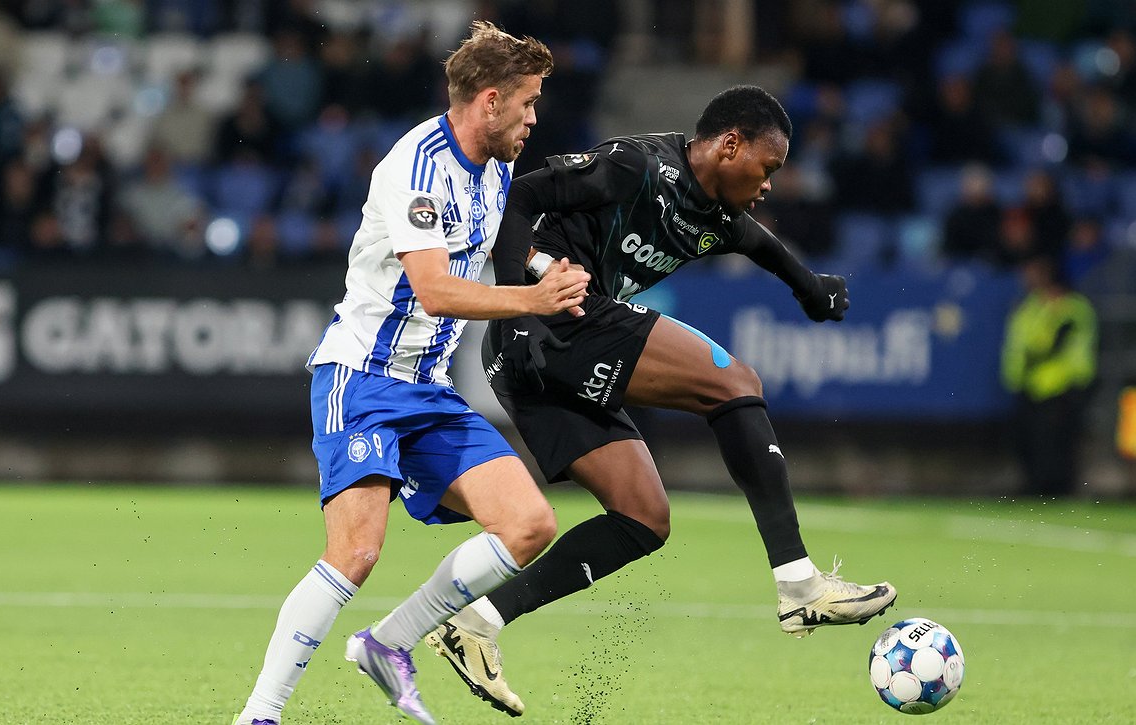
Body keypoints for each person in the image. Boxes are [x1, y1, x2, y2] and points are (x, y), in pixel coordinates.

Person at [424, 85, 898, 716]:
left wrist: (811, 289)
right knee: (735, 383)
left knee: (644, 519)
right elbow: (523, 192)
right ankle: (798, 583)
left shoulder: (717, 214)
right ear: (730, 144)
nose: (769, 185)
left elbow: (760, 242)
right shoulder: (638, 166)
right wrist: (524, 283)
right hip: (551, 325)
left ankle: (476, 624)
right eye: (768, 167)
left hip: (537, 355)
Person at [231, 21, 585, 725]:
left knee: (527, 523)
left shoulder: (496, 162)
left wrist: (545, 270)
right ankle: (259, 715)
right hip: (360, 378)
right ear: (489, 100)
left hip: (426, 390)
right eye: (527, 103)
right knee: (356, 551)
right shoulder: (415, 168)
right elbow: (433, 288)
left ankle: (388, 641)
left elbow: (492, 251)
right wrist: (530, 299)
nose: (534, 117)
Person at [1000, 253, 1098, 496]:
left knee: (1056, 443)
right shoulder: (1030, 306)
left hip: (1062, 385)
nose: (1027, 278)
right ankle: (1035, 487)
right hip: (1029, 384)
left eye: (1032, 272)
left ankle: (1057, 491)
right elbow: (1019, 343)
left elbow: (1056, 344)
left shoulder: (1071, 307)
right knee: (1029, 442)